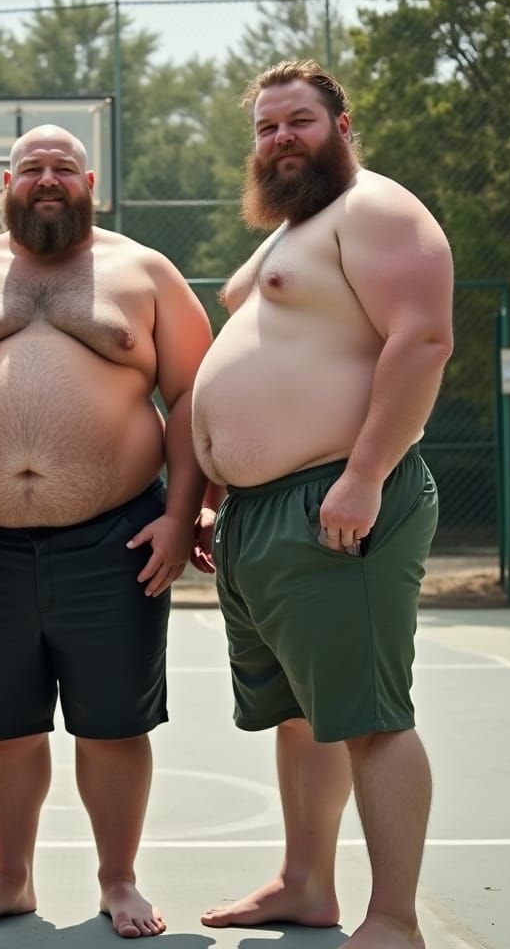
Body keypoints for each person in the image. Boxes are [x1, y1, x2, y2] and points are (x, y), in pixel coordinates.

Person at [0, 124, 214, 938]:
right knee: (1, 723)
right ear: (5, 182)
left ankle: (119, 880)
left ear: (90, 181)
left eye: (63, 169)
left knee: (114, 722)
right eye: (33, 167)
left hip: (117, 537)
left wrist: (183, 515)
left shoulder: (143, 271)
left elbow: (192, 398)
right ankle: (11, 879)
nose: (48, 179)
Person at [191, 60, 454, 949]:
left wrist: (366, 473)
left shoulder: (375, 207)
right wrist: (220, 490)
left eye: (297, 121)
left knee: (371, 716)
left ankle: (393, 921)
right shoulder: (292, 233)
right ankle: (306, 885)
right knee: (303, 713)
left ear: (343, 128)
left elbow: (422, 337)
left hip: (336, 497)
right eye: (265, 128)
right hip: (260, 515)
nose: (279, 140)